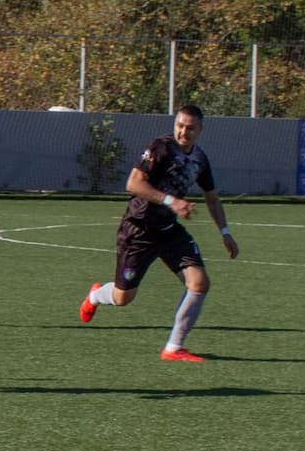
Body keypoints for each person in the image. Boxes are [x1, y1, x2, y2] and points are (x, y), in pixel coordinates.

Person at [79, 103, 239, 362]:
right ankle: (96, 295)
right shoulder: (161, 148)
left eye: (190, 128)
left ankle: (173, 348)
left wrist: (225, 232)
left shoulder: (200, 159)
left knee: (199, 283)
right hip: (138, 231)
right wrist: (171, 201)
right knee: (123, 298)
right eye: (179, 125)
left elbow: (212, 198)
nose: (183, 132)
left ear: (200, 130)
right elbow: (133, 183)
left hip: (168, 231)